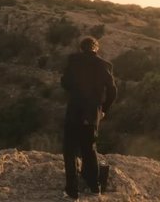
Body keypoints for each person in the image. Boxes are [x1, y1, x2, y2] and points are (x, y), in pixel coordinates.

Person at [61, 36, 117, 200]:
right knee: (89, 149)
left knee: (70, 150)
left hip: (74, 111)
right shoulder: (105, 65)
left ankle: (72, 192)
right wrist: (104, 109)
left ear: (81, 48)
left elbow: (65, 83)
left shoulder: (73, 60)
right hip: (92, 114)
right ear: (96, 49)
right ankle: (94, 187)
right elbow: (113, 91)